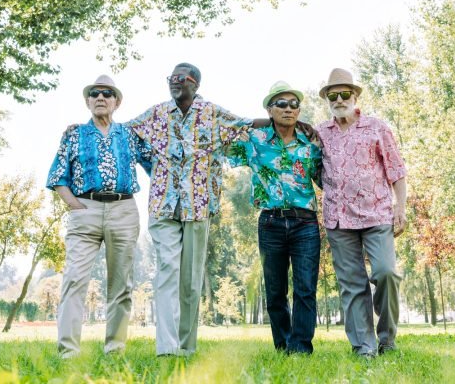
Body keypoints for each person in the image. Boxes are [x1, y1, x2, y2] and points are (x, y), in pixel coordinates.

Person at [127, 63, 254, 357]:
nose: (174, 83)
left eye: (180, 78)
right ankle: (167, 348)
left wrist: (289, 123)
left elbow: (246, 126)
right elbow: (123, 131)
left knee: (191, 280)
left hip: (198, 205)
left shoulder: (212, 113)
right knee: (167, 270)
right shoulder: (156, 113)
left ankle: (186, 346)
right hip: (163, 205)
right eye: (170, 78)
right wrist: (86, 127)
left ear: (195, 84)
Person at [47, 75, 152, 358]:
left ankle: (115, 350)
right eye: (95, 93)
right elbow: (58, 176)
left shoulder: (129, 135)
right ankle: (68, 352)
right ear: (88, 101)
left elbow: (156, 166)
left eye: (107, 93)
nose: (101, 97)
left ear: (117, 102)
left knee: (121, 285)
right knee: (74, 279)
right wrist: (75, 205)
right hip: (86, 210)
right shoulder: (74, 133)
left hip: (123, 210)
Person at [315, 68, 408, 357]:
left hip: (377, 215)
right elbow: (312, 169)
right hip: (338, 218)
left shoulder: (376, 127)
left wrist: (400, 207)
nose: (339, 99)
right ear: (328, 100)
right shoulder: (319, 133)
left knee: (386, 273)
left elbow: (396, 169)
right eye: (333, 95)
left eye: (345, 94)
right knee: (352, 286)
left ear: (355, 97)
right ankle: (363, 347)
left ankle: (387, 338)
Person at [228, 81, 323, 354]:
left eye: (294, 104)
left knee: (305, 287)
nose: (289, 109)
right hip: (270, 222)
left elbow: (325, 179)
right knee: (275, 291)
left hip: (305, 223)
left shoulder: (310, 144)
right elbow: (223, 136)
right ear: (270, 109)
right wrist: (256, 121)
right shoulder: (254, 141)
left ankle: (301, 348)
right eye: (281, 104)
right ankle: (283, 346)